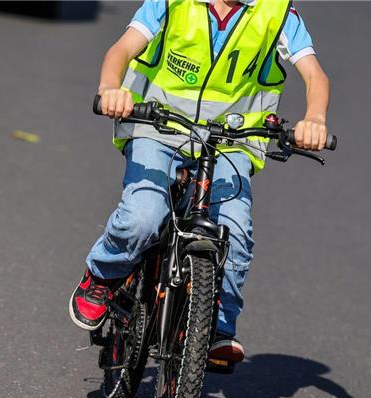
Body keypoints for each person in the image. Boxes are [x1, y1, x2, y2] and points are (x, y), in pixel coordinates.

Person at [69, 0, 330, 367]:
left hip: (231, 140)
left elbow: (315, 75)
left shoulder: (278, 12)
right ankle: (103, 274)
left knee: (234, 230)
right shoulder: (171, 2)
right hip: (158, 127)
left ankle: (218, 327)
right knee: (144, 216)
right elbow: (122, 49)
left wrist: (314, 118)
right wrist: (111, 88)